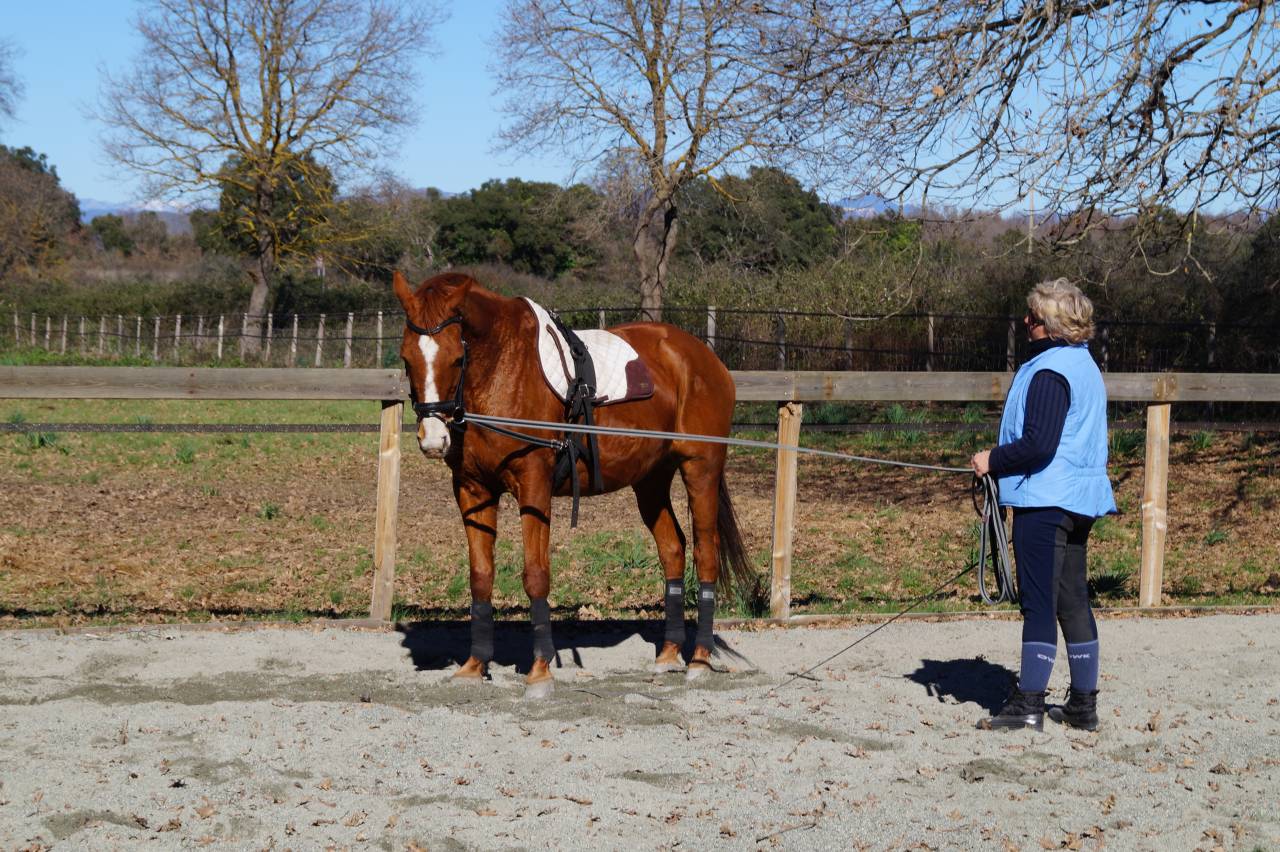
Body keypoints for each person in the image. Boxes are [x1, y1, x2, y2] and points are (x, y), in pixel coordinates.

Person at [970, 278, 1117, 732]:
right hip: (1078, 499)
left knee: (1038, 603)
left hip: (1045, 498)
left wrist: (991, 460)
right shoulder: (1084, 365)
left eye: (1032, 317)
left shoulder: (1050, 372)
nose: (1026, 322)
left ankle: (1029, 703)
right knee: (1072, 600)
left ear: (1049, 326)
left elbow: (1038, 445)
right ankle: (1082, 706)